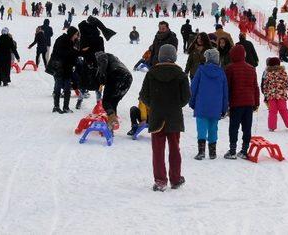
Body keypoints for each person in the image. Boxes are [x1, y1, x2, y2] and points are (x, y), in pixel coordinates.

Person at [140, 44, 190, 191]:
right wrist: (175, 105)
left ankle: (160, 180)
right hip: (174, 116)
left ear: (160, 56)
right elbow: (186, 97)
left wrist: (154, 105)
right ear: (174, 56)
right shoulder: (180, 75)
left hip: (157, 116)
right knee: (175, 149)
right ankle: (175, 179)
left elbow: (144, 95)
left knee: (158, 150)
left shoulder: (151, 73)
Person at [189, 48, 228, 160]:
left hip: (201, 105)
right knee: (213, 128)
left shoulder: (201, 70)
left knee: (201, 128)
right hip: (216, 106)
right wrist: (224, 108)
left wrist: (192, 103)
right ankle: (212, 152)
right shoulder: (221, 73)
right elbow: (225, 92)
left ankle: (201, 152)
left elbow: (194, 88)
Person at [224, 45, 260, 160]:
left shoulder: (230, 68)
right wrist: (256, 102)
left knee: (234, 127)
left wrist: (226, 103)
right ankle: (244, 150)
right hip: (249, 103)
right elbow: (255, 87)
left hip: (236, 103)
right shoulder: (251, 68)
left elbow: (227, 87)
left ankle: (232, 150)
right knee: (247, 127)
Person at [94, 51, 133, 130]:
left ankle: (112, 120)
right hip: (128, 78)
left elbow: (103, 62)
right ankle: (112, 125)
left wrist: (102, 79)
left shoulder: (102, 55)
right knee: (113, 102)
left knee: (106, 102)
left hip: (116, 75)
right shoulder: (115, 59)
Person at [48, 27, 80, 114]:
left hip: (67, 68)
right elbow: (63, 53)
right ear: (72, 33)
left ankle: (65, 107)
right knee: (59, 87)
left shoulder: (71, 41)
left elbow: (71, 55)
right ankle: (57, 106)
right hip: (60, 67)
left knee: (66, 88)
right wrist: (75, 52)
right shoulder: (63, 40)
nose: (76, 36)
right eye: (76, 34)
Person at [261, 57, 288, 131]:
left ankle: (271, 127)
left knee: (272, 111)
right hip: (281, 95)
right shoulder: (283, 73)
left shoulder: (268, 74)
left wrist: (266, 95)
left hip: (271, 96)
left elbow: (265, 86)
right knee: (283, 110)